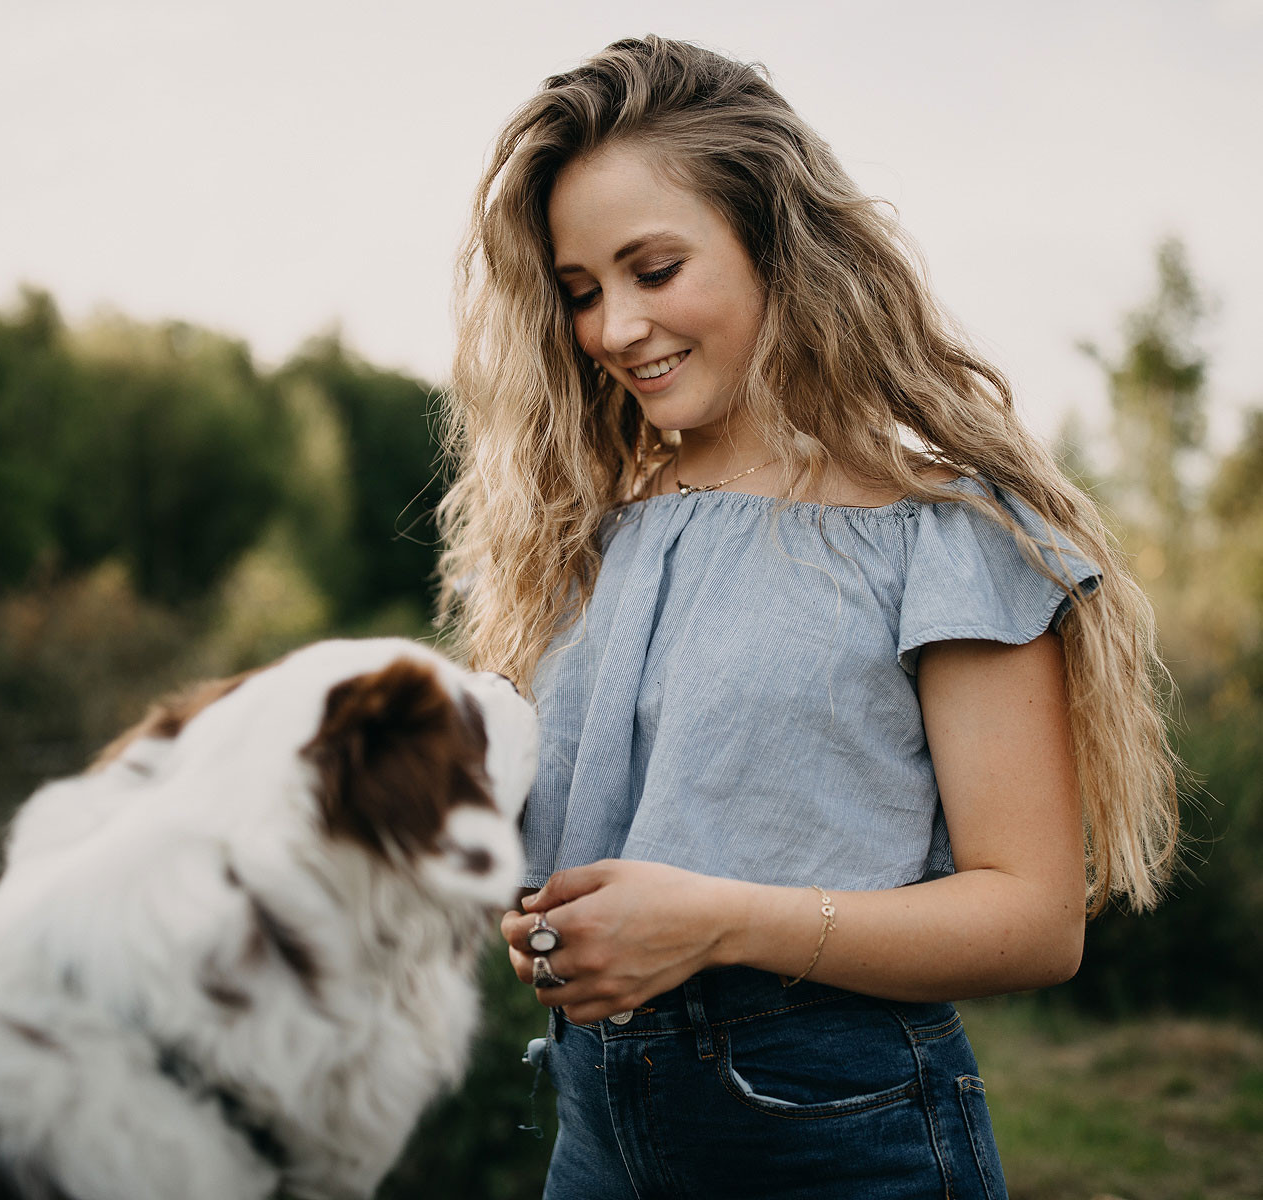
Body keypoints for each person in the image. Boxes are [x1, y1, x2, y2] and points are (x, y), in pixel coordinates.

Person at [434, 35, 1178, 1200]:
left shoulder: (934, 534)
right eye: (581, 292)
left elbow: (1034, 922)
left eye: (655, 269)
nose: (614, 327)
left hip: (831, 1129)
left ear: (775, 244)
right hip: (594, 1131)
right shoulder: (582, 535)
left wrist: (719, 922)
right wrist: (529, 913)